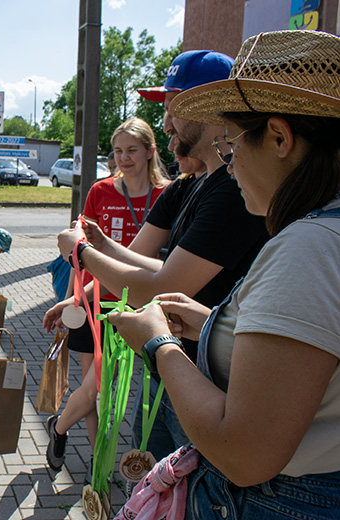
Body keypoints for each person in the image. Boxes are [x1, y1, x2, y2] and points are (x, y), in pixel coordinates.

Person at [106, 29, 340, 519]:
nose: (229, 168)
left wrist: (158, 344)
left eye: (233, 148)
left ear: (279, 137)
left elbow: (245, 453)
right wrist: (212, 321)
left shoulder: (307, 248)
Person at [57, 49, 270, 463]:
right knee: (153, 479)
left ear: (209, 107)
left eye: (174, 107)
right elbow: (156, 265)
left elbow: (163, 284)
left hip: (208, 374)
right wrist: (102, 249)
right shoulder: (192, 184)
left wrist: (82, 253)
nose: (166, 121)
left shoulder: (233, 189)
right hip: (170, 363)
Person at [43, 117, 169, 472]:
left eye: (132, 150)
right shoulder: (101, 191)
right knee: (98, 388)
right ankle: (99, 466)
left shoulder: (168, 193)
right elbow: (78, 253)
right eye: (118, 151)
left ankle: (59, 427)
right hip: (96, 300)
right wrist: (72, 300)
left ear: (149, 151)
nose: (124, 158)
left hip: (146, 306)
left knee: (132, 391)